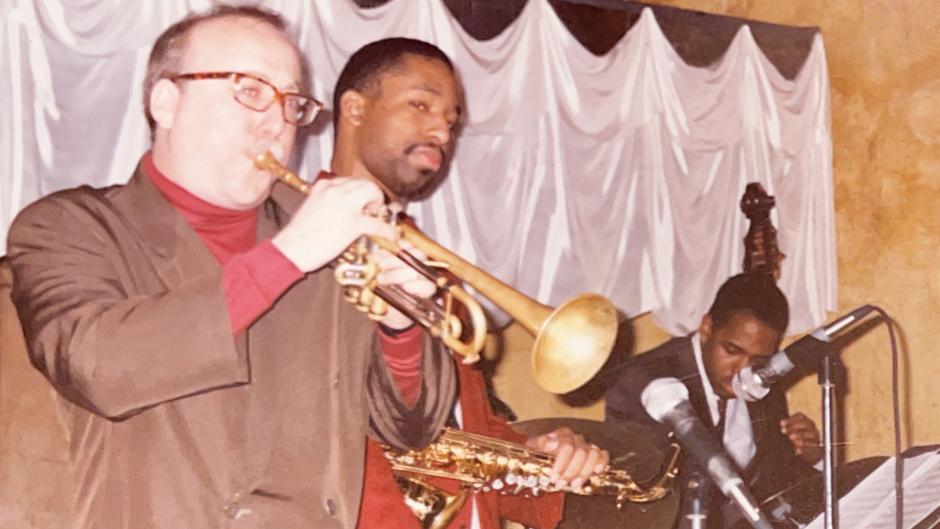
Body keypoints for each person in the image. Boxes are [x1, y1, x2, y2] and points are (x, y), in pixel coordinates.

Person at [5, 7, 458, 529]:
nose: (277, 122)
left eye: (291, 102)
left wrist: (400, 324)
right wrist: (288, 256)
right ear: (166, 101)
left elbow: (411, 429)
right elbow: (98, 368)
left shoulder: (327, 240)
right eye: (248, 90)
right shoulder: (68, 225)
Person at [318, 38, 609, 529]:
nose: (441, 130)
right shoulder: (300, 247)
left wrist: (536, 454)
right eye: (420, 105)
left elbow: (460, 425)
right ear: (354, 108)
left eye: (451, 120)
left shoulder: (434, 271)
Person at [604, 273, 823, 529]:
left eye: (758, 361)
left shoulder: (762, 380)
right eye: (732, 350)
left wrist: (812, 456)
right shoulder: (640, 382)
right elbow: (642, 501)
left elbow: (775, 477)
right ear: (707, 328)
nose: (743, 370)